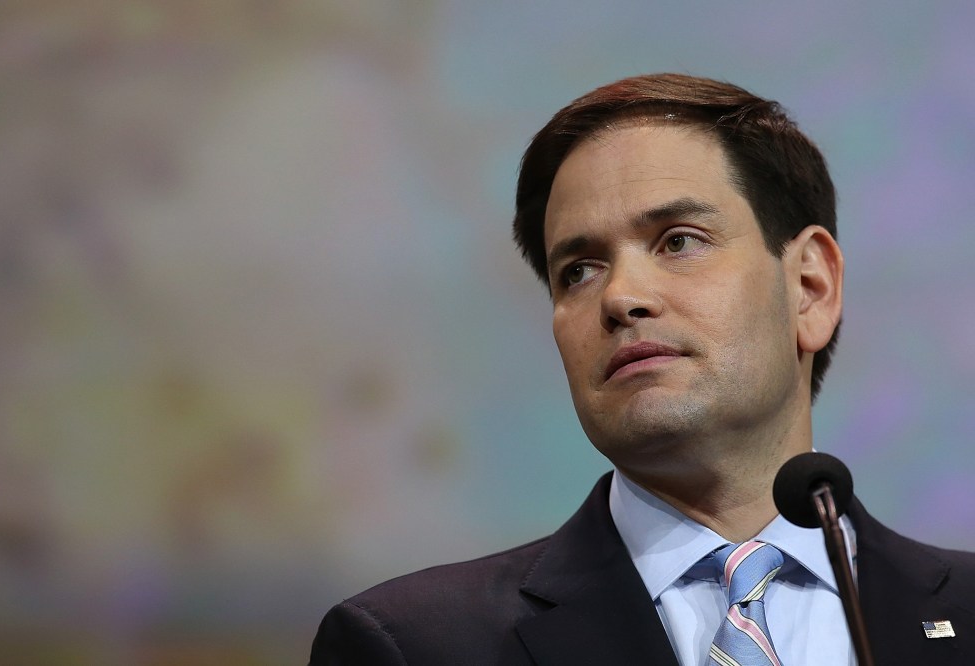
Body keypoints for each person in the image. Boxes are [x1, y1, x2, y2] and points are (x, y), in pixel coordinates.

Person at [309, 73, 975, 665]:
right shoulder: (415, 646)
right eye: (579, 270)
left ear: (809, 287)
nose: (622, 297)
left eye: (677, 241)